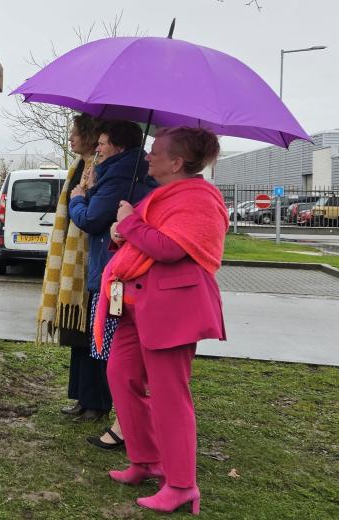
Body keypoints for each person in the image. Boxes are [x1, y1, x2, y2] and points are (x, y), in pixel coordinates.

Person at [96, 126, 227, 515]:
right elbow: (147, 241)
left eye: (156, 152)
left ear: (177, 162)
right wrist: (125, 231)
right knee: (121, 377)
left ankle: (183, 484)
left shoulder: (201, 198)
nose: (148, 157)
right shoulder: (164, 194)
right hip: (138, 302)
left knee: (171, 397)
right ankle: (146, 460)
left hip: (173, 308)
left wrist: (131, 223)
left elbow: (169, 248)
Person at [67, 120, 157, 431]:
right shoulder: (123, 173)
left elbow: (91, 220)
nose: (99, 148)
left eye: (103, 143)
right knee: (105, 337)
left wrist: (77, 198)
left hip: (114, 272)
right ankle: (97, 402)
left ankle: (110, 408)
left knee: (109, 338)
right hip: (113, 269)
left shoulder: (121, 177)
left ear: (118, 146)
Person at [37, 114, 113, 427]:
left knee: (92, 335)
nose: (70, 138)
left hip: (88, 260)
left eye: (74, 133)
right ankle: (82, 398)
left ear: (90, 136)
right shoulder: (78, 167)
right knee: (78, 336)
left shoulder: (98, 168)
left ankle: (97, 403)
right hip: (74, 256)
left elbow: (91, 213)